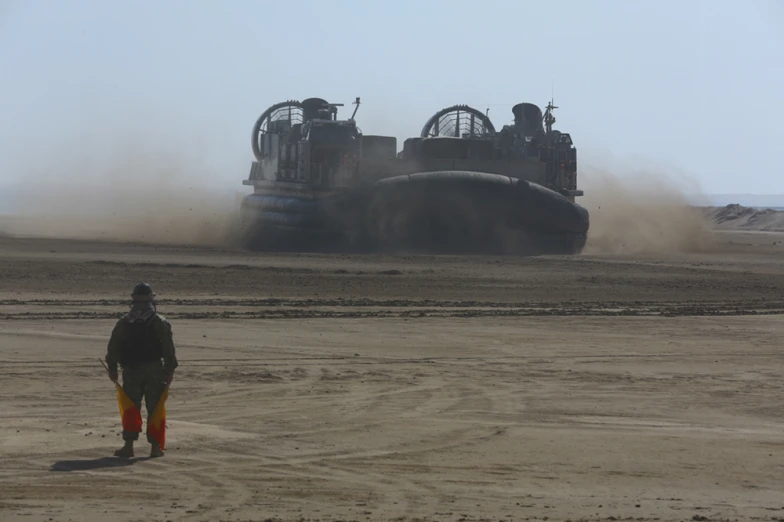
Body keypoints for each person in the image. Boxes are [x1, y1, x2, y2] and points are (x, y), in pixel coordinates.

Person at [104, 282, 178, 458]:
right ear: (151, 299)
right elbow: (169, 350)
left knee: (131, 408)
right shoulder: (159, 322)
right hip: (154, 370)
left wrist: (112, 368)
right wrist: (169, 371)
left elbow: (113, 348)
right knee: (155, 408)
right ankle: (155, 447)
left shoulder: (124, 322)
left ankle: (129, 446)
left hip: (131, 371)